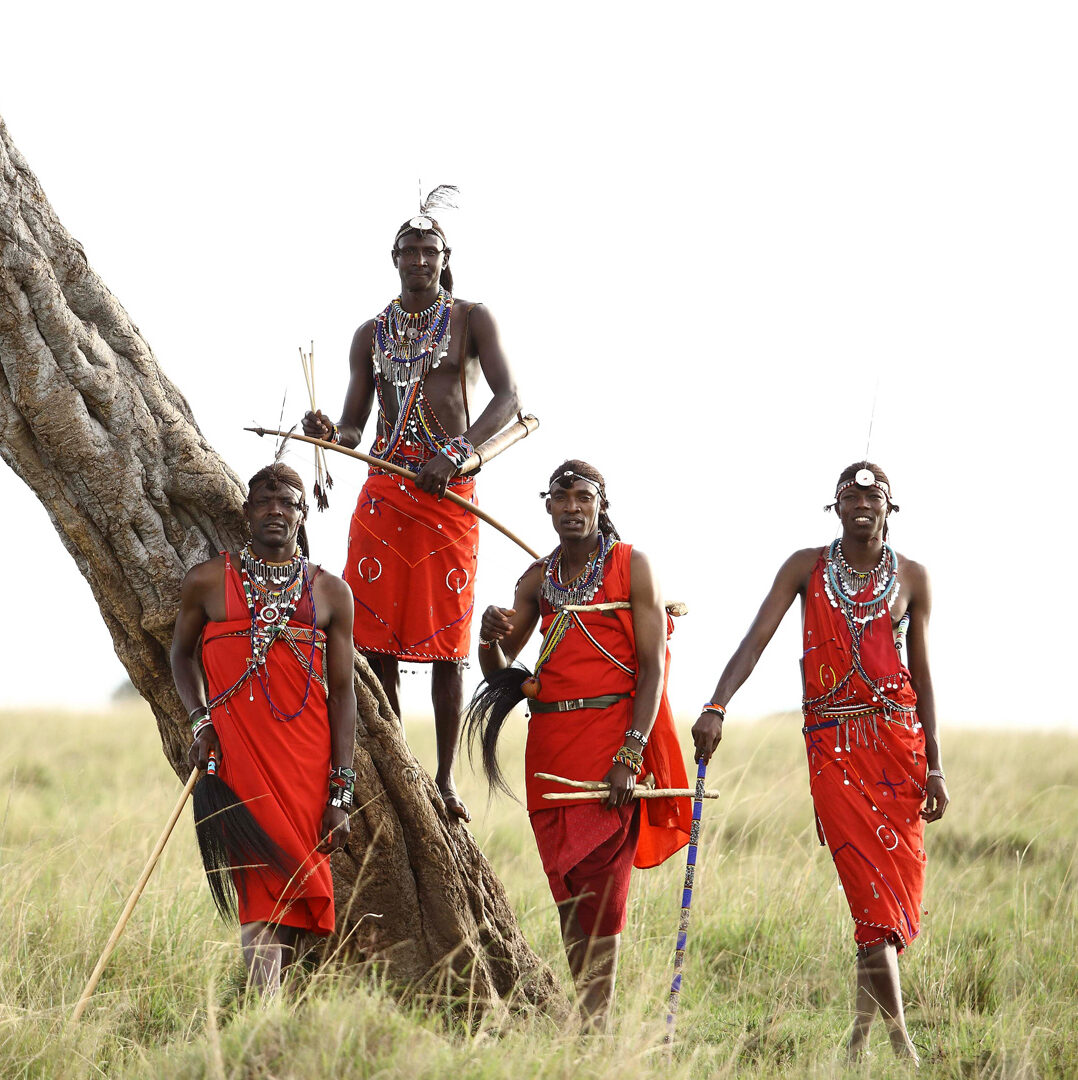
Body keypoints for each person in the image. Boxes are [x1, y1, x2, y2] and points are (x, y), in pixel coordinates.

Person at [692, 462, 950, 1061]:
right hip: (833, 750)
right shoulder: (804, 567)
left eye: (874, 494)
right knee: (868, 897)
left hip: (896, 749)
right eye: (850, 495)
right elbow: (754, 639)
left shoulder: (913, 577)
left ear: (891, 506)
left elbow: (924, 674)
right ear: (833, 507)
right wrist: (716, 705)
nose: (862, 502)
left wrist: (934, 764)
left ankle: (857, 1043)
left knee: (885, 903)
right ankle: (902, 1045)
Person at [303, 191, 519, 824]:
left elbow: (508, 398)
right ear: (393, 259)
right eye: (409, 251)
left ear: (444, 259)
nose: (419, 259)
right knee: (376, 642)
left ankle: (446, 779)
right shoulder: (371, 333)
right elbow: (352, 427)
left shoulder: (472, 318)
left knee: (450, 640)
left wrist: (457, 455)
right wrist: (325, 432)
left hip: (447, 494)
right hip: (384, 494)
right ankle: (397, 762)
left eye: (431, 251)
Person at [467, 460, 690, 1029]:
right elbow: (500, 670)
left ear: (601, 504)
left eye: (583, 497)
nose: (572, 507)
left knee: (603, 888)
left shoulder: (632, 565)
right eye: (561, 497)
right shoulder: (538, 580)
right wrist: (488, 637)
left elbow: (652, 668)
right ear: (547, 506)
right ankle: (589, 1017)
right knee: (566, 883)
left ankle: (595, 1025)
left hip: (611, 747)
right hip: (549, 751)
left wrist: (631, 753)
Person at [171, 463, 357, 995]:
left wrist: (340, 791)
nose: (277, 510)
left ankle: (277, 1015)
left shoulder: (330, 593)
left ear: (302, 515)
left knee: (298, 885)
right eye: (265, 501)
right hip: (238, 761)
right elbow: (181, 656)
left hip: (307, 766)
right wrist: (200, 721)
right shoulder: (207, 581)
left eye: (289, 502)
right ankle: (265, 1017)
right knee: (259, 884)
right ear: (247, 512)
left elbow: (343, 696)